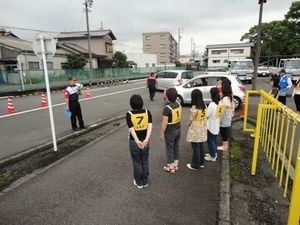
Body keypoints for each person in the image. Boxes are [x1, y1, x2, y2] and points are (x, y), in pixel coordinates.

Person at [126, 94, 153, 189]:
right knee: (145, 161)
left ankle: (139, 182)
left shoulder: (129, 114)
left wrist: (137, 141)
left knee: (136, 162)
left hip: (134, 142)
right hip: (145, 141)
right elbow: (150, 127)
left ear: (131, 104)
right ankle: (145, 181)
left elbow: (131, 129)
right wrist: (146, 140)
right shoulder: (147, 112)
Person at [160, 88, 182, 173]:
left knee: (169, 147)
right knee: (176, 146)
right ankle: (176, 164)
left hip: (170, 130)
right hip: (178, 128)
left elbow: (164, 122)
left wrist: (161, 133)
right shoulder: (179, 104)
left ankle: (170, 166)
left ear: (168, 96)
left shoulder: (167, 108)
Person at [186, 89, 207, 170]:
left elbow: (191, 119)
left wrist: (187, 124)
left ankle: (195, 165)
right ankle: (201, 163)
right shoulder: (204, 105)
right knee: (201, 146)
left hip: (195, 130)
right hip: (202, 128)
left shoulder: (194, 107)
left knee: (195, 148)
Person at [205, 87, 222, 162]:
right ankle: (214, 153)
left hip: (211, 126)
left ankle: (212, 157)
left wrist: (206, 108)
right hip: (216, 124)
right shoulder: (220, 103)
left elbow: (207, 115)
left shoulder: (211, 105)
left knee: (210, 141)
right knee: (214, 140)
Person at [217, 82, 234, 152]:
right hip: (228, 118)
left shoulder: (225, 99)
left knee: (223, 133)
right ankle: (225, 146)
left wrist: (219, 120)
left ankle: (225, 147)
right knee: (224, 133)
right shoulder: (229, 97)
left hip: (225, 119)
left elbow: (223, 110)